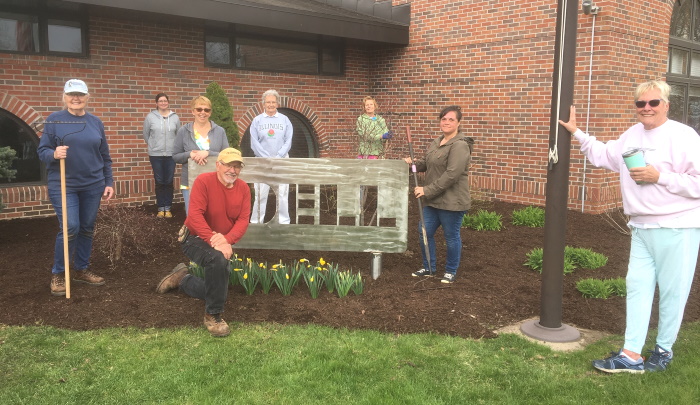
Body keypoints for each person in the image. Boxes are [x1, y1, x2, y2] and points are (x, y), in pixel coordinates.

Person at [559, 80, 700, 374]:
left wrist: (659, 176)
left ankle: (663, 350)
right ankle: (631, 354)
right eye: (640, 104)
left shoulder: (683, 136)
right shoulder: (631, 135)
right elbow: (605, 154)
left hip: (677, 227)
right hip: (640, 227)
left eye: (653, 103)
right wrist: (577, 132)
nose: (646, 109)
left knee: (674, 292)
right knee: (637, 289)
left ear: (666, 105)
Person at [155, 148, 251, 337]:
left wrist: (226, 240)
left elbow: (243, 220)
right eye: (228, 165)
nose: (232, 170)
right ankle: (212, 316)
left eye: (237, 166)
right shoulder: (204, 181)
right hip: (194, 237)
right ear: (218, 165)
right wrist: (216, 241)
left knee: (219, 287)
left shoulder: (243, 189)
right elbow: (195, 216)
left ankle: (183, 279)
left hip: (220, 240)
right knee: (218, 261)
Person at [37, 79, 115, 296]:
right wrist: (53, 154)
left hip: (92, 184)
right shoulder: (55, 121)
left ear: (87, 97)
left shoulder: (95, 122)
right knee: (70, 227)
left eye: (80, 94)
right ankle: (59, 273)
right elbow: (42, 151)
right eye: (72, 94)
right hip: (64, 184)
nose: (76, 98)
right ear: (64, 97)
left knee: (87, 227)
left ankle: (81, 269)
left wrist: (108, 182)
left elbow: (105, 156)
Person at [403, 105, 472, 284]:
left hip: (452, 201)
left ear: (458, 122)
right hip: (433, 201)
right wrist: (412, 164)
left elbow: (452, 175)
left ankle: (450, 271)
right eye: (444, 119)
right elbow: (425, 163)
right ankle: (429, 267)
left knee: (451, 236)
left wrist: (426, 190)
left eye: (451, 119)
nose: (446, 122)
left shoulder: (460, 145)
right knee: (424, 231)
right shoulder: (436, 142)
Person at [172, 96, 229, 215]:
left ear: (210, 112)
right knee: (194, 217)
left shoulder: (220, 131)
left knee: (214, 216)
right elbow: (176, 156)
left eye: (206, 110)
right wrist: (190, 154)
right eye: (199, 109)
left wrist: (208, 153)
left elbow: (227, 155)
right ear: (193, 111)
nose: (203, 112)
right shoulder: (184, 131)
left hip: (216, 181)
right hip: (190, 181)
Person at [249, 89, 293, 224]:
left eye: (273, 102)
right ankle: (257, 222)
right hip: (263, 162)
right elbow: (254, 142)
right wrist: (267, 157)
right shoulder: (257, 120)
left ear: (277, 103)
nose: (270, 104)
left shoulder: (285, 120)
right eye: (268, 102)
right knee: (261, 193)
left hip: (281, 161)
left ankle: (284, 222)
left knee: (283, 193)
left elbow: (288, 140)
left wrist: (278, 156)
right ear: (263, 104)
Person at [143, 92, 181, 218]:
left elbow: (178, 135)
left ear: (168, 102)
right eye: (161, 101)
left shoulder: (175, 117)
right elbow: (146, 134)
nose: (163, 103)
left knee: (169, 181)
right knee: (159, 181)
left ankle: (168, 208)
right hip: (156, 155)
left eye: (165, 101)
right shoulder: (150, 117)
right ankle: (160, 208)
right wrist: (153, 146)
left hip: (171, 155)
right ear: (156, 103)